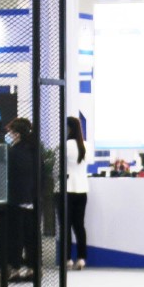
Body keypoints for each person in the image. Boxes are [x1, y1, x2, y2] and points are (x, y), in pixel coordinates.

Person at [0, 117, 39, 282]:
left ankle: (14, 269)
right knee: (31, 236)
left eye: (10, 132)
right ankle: (32, 269)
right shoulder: (35, 151)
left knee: (15, 236)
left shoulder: (13, 153)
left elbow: (5, 176)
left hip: (15, 199)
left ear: (17, 134)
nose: (8, 135)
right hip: (32, 199)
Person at [63, 115, 90, 270]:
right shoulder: (86, 146)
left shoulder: (65, 145)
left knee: (65, 226)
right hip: (82, 189)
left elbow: (58, 167)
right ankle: (81, 258)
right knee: (79, 225)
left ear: (68, 128)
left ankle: (67, 259)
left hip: (67, 189)